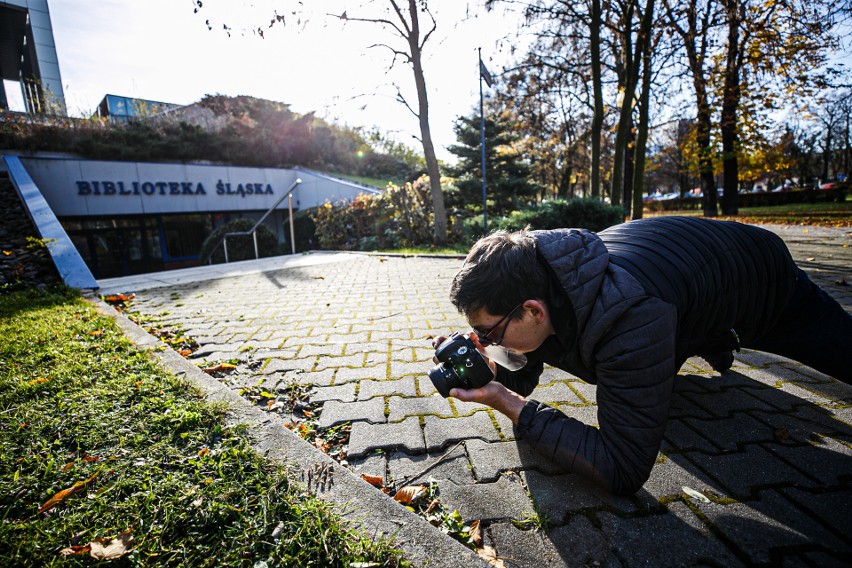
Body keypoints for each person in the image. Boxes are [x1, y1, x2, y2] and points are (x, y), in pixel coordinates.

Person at [438, 216, 852, 495]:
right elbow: (526, 369)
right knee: (650, 372)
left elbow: (623, 468)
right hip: (682, 282)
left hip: (760, 275)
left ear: (533, 310)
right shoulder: (541, 275)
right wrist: (487, 368)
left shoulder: (631, 317)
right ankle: (710, 340)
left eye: (488, 331)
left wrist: (508, 404)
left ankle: (719, 338)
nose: (483, 339)